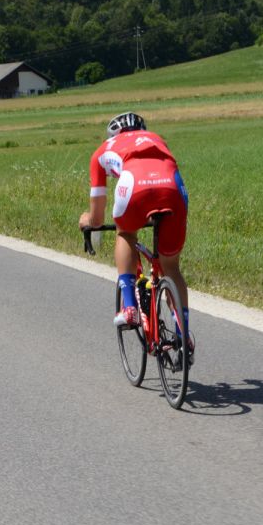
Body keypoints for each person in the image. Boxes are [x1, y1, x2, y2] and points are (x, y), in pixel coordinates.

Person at [79, 112, 192, 350]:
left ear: (112, 135)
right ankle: (184, 333)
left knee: (125, 233)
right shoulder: (156, 138)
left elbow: (97, 219)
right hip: (172, 187)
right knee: (171, 266)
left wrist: (86, 220)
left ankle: (129, 307)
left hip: (134, 186)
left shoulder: (102, 151)